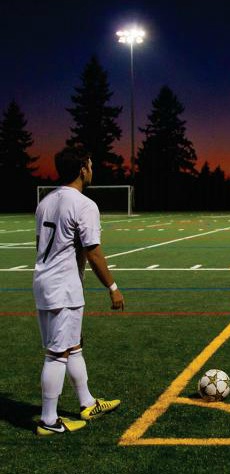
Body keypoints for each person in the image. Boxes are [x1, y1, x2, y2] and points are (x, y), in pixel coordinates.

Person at [33, 146, 123, 436]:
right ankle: (49, 420)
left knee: (73, 345)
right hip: (63, 287)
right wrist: (112, 287)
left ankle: (87, 402)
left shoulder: (46, 202)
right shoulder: (84, 204)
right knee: (57, 353)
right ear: (83, 168)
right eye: (91, 164)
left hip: (45, 282)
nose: (93, 170)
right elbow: (93, 252)